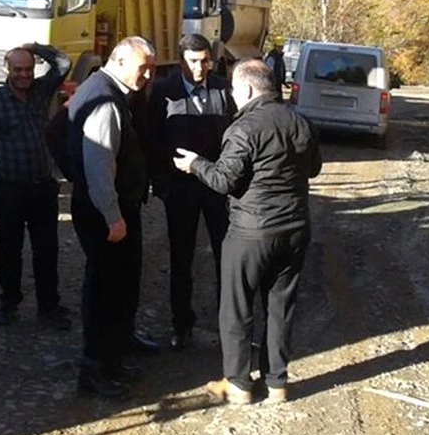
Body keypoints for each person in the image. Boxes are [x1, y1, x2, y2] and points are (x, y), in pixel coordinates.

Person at [174, 59, 322, 406]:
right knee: (280, 306)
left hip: (251, 233)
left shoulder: (243, 128)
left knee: (237, 307)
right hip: (296, 229)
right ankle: (277, 383)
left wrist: (194, 164)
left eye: (234, 92)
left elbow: (224, 180)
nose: (232, 98)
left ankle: (239, 383)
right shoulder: (303, 123)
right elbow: (314, 168)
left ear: (249, 90)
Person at [65, 36, 159, 399]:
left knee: (121, 284)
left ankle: (116, 350)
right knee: (105, 290)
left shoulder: (105, 89)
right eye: (143, 68)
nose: (148, 76)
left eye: (151, 68)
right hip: (106, 213)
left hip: (112, 208)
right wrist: (112, 216)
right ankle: (95, 370)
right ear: (119, 61)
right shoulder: (104, 100)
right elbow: (99, 164)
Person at [0, 43, 72, 331]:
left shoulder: (41, 92)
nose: (23, 75)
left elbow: (62, 63)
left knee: (46, 251)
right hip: (8, 190)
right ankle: (9, 304)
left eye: (28, 69)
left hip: (42, 188)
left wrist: (32, 47)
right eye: (17, 69)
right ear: (6, 70)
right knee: (9, 251)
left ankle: (49, 307)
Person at [148, 34, 235, 351]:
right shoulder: (162, 92)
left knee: (227, 258)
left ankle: (230, 327)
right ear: (181, 60)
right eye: (193, 61)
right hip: (180, 190)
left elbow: (235, 137)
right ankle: (181, 324)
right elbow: (152, 140)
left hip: (218, 188)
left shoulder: (224, 90)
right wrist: (162, 183)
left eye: (205, 61)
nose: (200, 68)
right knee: (181, 259)